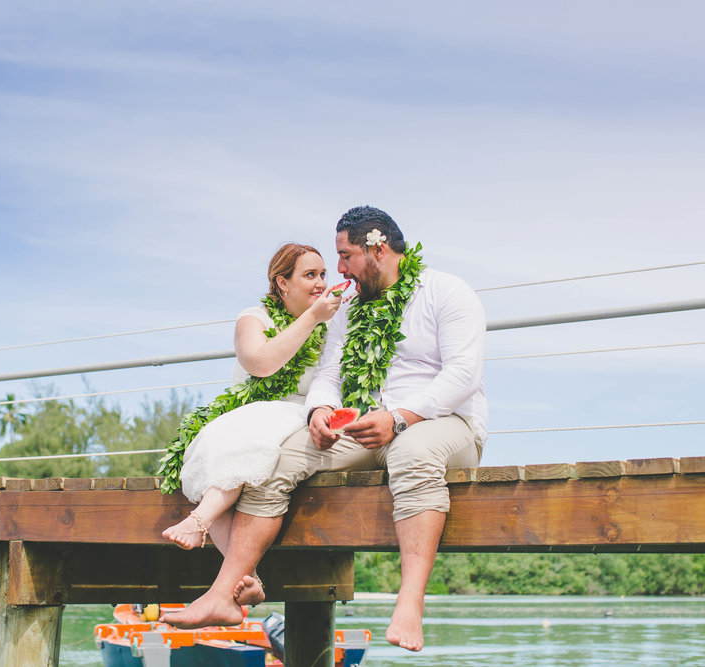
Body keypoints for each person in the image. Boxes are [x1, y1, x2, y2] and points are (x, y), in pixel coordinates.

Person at [162, 206, 488, 654]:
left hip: (442, 423)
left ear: (377, 247)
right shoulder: (348, 306)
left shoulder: (446, 291)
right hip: (363, 425)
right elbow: (330, 371)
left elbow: (463, 374)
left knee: (413, 455)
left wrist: (400, 418)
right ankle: (223, 594)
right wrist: (320, 409)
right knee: (277, 458)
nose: (338, 269)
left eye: (345, 255)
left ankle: (409, 603)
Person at [159, 243, 342, 585]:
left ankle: (202, 526)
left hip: (299, 414)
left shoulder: (334, 327)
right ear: (282, 282)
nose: (320, 283)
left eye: (322, 274)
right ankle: (247, 579)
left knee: (256, 437)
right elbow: (261, 364)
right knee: (235, 441)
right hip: (247, 413)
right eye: (309, 275)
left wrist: (320, 318)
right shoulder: (254, 318)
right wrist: (312, 316)